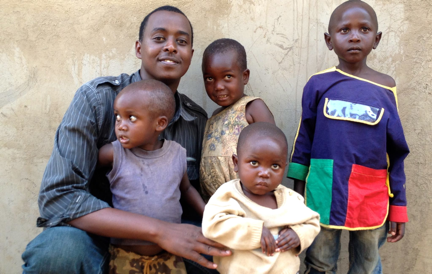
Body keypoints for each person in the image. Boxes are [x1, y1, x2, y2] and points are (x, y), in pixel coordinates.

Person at [22, 5, 230, 274]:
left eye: (181, 41)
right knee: (58, 251)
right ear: (139, 48)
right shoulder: (97, 100)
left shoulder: (195, 121)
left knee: (228, 253)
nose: (170, 47)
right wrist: (159, 231)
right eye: (158, 38)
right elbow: (59, 198)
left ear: (190, 54)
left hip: (169, 249)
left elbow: (194, 194)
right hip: (96, 242)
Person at [287, 1, 410, 273]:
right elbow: (303, 140)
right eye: (344, 30)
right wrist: (297, 198)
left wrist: (398, 204)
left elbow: (396, 151)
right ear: (329, 40)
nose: (354, 36)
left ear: (376, 39)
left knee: (366, 266)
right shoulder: (318, 84)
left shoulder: (385, 88)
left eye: (364, 29)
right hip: (322, 190)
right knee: (319, 262)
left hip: (372, 194)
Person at [97, 79, 206, 273]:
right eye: (117, 117)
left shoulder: (176, 154)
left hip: (170, 254)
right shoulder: (114, 153)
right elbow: (87, 170)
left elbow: (187, 188)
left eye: (131, 118)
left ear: (160, 123)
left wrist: (207, 214)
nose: (121, 125)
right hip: (125, 256)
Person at [202, 122, 320, 274]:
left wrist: (298, 234)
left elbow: (312, 222)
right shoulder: (229, 194)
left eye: (275, 166)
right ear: (236, 163)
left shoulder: (289, 198)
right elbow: (212, 226)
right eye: (254, 163)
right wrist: (254, 231)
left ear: (284, 167)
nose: (265, 173)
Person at [199, 38, 275, 201]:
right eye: (210, 78)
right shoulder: (212, 117)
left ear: (245, 76)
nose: (218, 86)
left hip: (247, 198)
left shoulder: (252, 107)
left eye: (227, 76)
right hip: (214, 201)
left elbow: (272, 152)